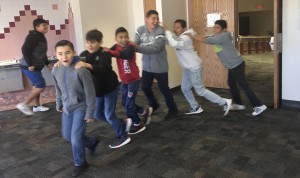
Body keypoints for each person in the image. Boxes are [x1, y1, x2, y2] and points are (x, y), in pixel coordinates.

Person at [191, 20, 267, 116]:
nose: (215, 29)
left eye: (217, 27)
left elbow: (209, 40)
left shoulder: (223, 36)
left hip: (236, 64)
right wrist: (196, 35)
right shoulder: (218, 36)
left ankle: (258, 105)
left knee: (244, 85)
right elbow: (208, 37)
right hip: (232, 65)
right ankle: (239, 104)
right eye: (214, 27)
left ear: (224, 29)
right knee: (231, 83)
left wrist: (193, 36)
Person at [76, 29, 131, 148]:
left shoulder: (104, 53)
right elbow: (73, 63)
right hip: (98, 89)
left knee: (109, 115)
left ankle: (122, 136)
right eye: (88, 42)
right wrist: (59, 62)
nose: (90, 45)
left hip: (110, 87)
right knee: (97, 114)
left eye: (93, 42)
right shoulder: (84, 54)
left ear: (100, 42)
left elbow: (103, 68)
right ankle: (122, 122)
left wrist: (87, 65)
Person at [164, 19, 232, 115]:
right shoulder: (180, 37)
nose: (176, 29)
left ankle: (224, 102)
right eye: (174, 27)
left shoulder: (186, 38)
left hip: (194, 68)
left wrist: (167, 31)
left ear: (183, 28)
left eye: (178, 27)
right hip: (188, 68)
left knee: (200, 90)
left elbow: (175, 43)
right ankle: (195, 107)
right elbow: (172, 40)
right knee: (185, 88)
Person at [52, 40, 99, 177]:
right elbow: (58, 89)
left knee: (75, 138)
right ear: (56, 55)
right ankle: (91, 142)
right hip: (67, 107)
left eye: (67, 52)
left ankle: (80, 163)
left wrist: (90, 112)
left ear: (73, 53)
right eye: (60, 54)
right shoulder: (56, 69)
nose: (64, 56)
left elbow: (90, 93)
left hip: (81, 107)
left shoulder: (81, 70)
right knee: (67, 135)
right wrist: (58, 103)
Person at [105, 27, 153, 134]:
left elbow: (126, 55)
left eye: (126, 36)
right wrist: (103, 51)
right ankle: (144, 111)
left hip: (133, 80)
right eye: (120, 37)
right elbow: (108, 52)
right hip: (124, 80)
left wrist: (111, 52)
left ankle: (138, 124)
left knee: (129, 104)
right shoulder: (116, 46)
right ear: (116, 38)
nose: (124, 39)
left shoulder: (131, 46)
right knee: (124, 102)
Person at [134, 10, 178, 119]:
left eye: (157, 18)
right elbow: (135, 43)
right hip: (147, 67)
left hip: (160, 67)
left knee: (164, 89)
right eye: (153, 18)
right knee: (145, 87)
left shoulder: (160, 31)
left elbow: (155, 48)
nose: (156, 21)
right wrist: (134, 46)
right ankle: (154, 104)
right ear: (147, 19)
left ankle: (173, 110)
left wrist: (136, 48)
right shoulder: (140, 30)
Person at [16, 18, 51, 115]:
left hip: (35, 66)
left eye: (46, 24)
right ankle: (24, 104)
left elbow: (42, 53)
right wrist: (30, 64)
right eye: (43, 25)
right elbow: (24, 50)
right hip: (29, 66)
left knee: (36, 85)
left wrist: (47, 63)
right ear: (37, 27)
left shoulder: (41, 37)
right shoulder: (33, 37)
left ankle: (36, 106)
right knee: (40, 85)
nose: (46, 26)